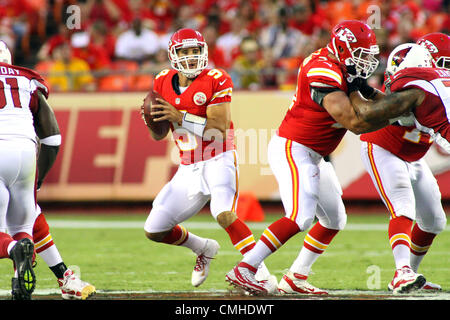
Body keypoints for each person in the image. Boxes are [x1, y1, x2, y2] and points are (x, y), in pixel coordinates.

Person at [226, 20, 392, 295]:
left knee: (335, 219)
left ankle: (295, 277)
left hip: (315, 154)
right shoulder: (321, 70)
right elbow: (354, 122)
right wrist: (396, 115)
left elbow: (368, 94)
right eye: (361, 55)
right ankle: (245, 268)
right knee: (300, 217)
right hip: (295, 148)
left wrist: (398, 105)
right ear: (342, 48)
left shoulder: (342, 65)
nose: (366, 62)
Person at [140, 28, 276, 289]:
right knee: (154, 229)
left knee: (223, 213)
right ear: (173, 54)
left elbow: (219, 127)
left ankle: (260, 273)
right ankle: (203, 248)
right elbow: (158, 136)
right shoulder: (161, 81)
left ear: (203, 52)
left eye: (195, 51)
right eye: (184, 51)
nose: (190, 57)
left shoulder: (217, 78)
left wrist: (178, 116)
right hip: (188, 166)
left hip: (218, 157)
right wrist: (151, 120)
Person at [358, 38, 449, 294]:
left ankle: (410, 272)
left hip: (414, 156)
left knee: (433, 221)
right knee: (403, 206)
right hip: (383, 149)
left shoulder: (433, 85)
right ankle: (401, 272)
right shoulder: (412, 84)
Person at [0, 40, 58, 300]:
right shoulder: (27, 79)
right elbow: (52, 137)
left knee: (7, 237)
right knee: (23, 225)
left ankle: (13, 249)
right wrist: (40, 177)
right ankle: (18, 282)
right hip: (25, 153)